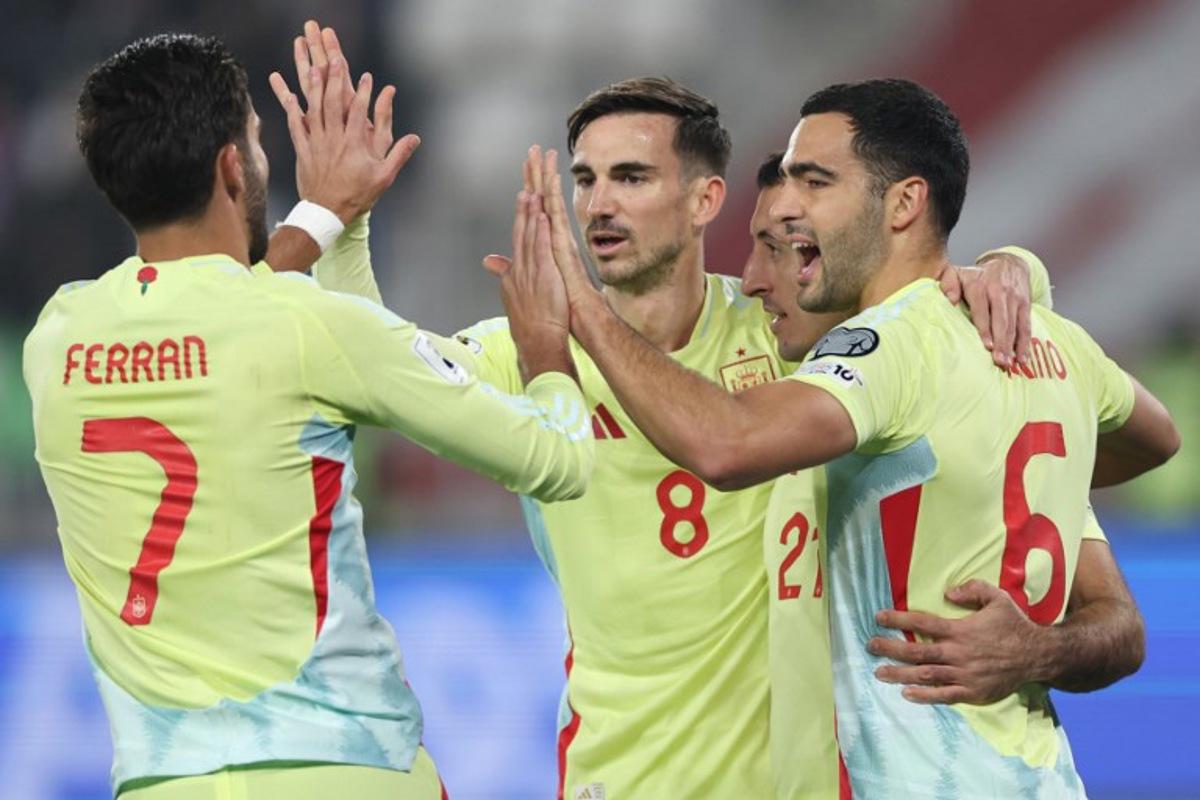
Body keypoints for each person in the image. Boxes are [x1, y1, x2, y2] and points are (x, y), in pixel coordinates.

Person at [518, 76, 1180, 796]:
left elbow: (727, 446)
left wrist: (580, 305)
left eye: (816, 183)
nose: (795, 213)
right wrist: (1041, 650)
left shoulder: (884, 352)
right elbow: (1157, 446)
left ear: (903, 203)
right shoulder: (1049, 343)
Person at [22, 33, 594, 800]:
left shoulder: (57, 338)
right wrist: (546, 350)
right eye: (257, 144)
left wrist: (330, 220)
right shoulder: (303, 327)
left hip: (162, 780)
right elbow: (559, 460)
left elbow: (220, 311)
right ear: (234, 167)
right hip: (347, 768)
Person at [745, 150, 1149, 797]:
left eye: (784, 248)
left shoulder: (964, 405)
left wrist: (1038, 650)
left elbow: (1121, 627)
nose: (754, 280)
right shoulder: (784, 394)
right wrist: (1015, 266)